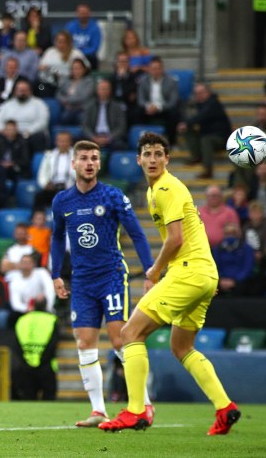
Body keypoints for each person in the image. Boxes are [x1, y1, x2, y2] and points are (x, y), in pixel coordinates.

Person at [100, 132, 240, 434]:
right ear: (138, 159)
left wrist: (154, 271)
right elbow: (190, 236)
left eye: (157, 154)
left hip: (188, 272)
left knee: (130, 332)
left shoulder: (166, 187)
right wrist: (205, 276)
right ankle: (224, 407)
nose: (152, 159)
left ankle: (136, 410)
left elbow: (175, 239)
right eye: (147, 154)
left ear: (167, 159)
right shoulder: (157, 192)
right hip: (201, 273)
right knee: (182, 346)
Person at [50, 139, 155, 427]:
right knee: (85, 343)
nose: (89, 163)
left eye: (94, 158)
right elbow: (58, 237)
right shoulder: (62, 201)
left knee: (120, 339)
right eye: (84, 158)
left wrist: (149, 271)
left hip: (111, 275)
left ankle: (143, 404)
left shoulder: (112, 196)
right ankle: (98, 410)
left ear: (99, 163)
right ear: (73, 163)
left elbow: (138, 235)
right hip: (81, 280)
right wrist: (56, 273)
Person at [179, 83, 231, 179]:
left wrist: (186, 123)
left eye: (201, 92)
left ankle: (208, 170)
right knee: (188, 130)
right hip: (206, 134)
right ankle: (196, 156)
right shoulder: (200, 105)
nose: (199, 95)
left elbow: (201, 117)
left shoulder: (213, 103)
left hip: (220, 138)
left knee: (206, 139)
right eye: (197, 93)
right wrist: (185, 124)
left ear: (208, 92)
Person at [11, 298, 59, 401]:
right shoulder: (52, 319)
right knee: (49, 398)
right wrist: (42, 359)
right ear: (46, 306)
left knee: (28, 399)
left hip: (25, 365)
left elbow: (16, 344)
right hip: (46, 365)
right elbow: (53, 343)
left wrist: (25, 359)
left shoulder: (22, 320)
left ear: (32, 305)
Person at [136, 57, 181, 145]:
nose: (156, 71)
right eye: (153, 69)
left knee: (174, 112)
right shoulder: (143, 80)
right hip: (148, 108)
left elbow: (173, 101)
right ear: (149, 69)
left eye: (158, 68)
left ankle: (171, 142)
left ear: (162, 69)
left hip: (164, 108)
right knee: (137, 112)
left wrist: (158, 108)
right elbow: (140, 99)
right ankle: (141, 140)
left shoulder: (171, 81)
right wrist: (148, 106)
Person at [65, 4, 102, 69]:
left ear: (89, 14)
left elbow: (95, 47)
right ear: (77, 14)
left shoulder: (95, 28)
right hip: (72, 55)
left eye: (85, 13)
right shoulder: (70, 26)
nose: (83, 16)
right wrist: (75, 53)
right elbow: (66, 42)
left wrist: (80, 54)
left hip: (88, 56)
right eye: (81, 13)